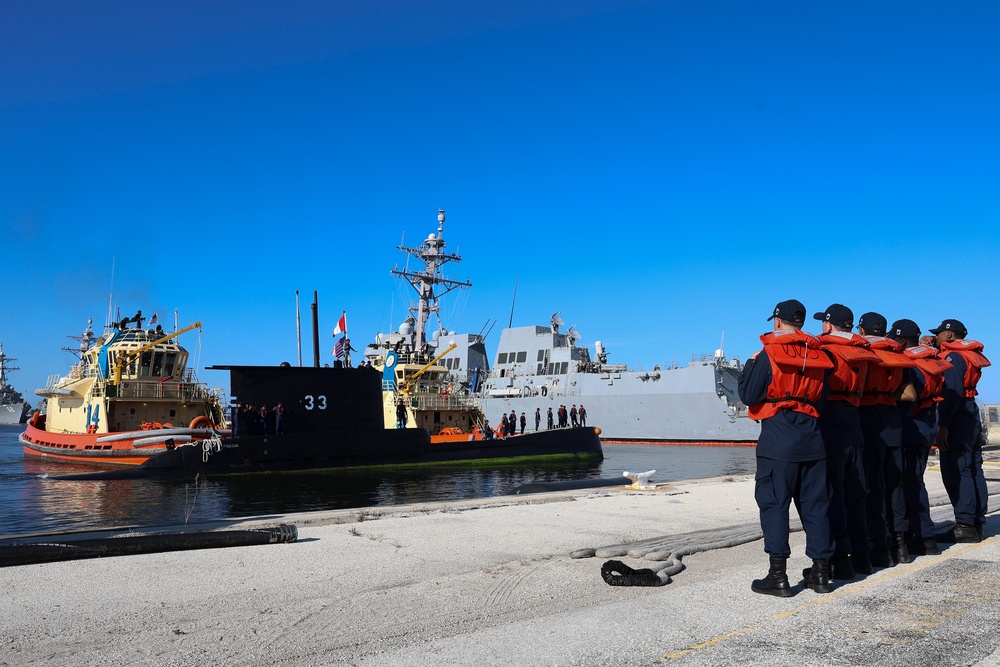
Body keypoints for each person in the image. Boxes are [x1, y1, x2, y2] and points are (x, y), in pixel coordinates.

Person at [738, 299, 834, 596]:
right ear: (801, 323)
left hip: (778, 440)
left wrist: (751, 364)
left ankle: (778, 576)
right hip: (813, 439)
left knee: (774, 505)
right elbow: (822, 399)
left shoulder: (768, 354)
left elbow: (748, 395)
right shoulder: (820, 355)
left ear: (777, 321)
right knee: (816, 507)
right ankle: (820, 574)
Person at [813, 304, 880, 579]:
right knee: (856, 493)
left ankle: (839, 560)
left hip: (830, 423)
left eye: (823, 323)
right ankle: (862, 557)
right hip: (854, 422)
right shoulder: (862, 352)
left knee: (833, 495)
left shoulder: (825, 350)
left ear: (829, 325)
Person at [888, 319, 950, 555]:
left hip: (910, 429)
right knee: (916, 481)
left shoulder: (910, 364)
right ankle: (923, 535)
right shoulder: (930, 360)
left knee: (909, 484)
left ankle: (921, 536)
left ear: (902, 340)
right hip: (926, 427)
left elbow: (907, 401)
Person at [857, 312, 915, 567]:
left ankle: (879, 547)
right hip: (893, 427)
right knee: (895, 487)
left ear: (861, 331)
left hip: (870, 427)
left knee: (873, 489)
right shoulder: (898, 356)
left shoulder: (863, 354)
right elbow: (911, 395)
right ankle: (900, 546)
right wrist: (887, 394)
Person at [930, 319, 991, 542]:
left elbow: (951, 393)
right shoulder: (966, 355)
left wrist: (943, 426)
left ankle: (965, 525)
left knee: (958, 469)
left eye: (938, 334)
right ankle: (977, 522)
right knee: (974, 468)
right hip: (970, 412)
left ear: (949, 335)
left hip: (957, 416)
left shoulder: (953, 358)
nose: (936, 337)